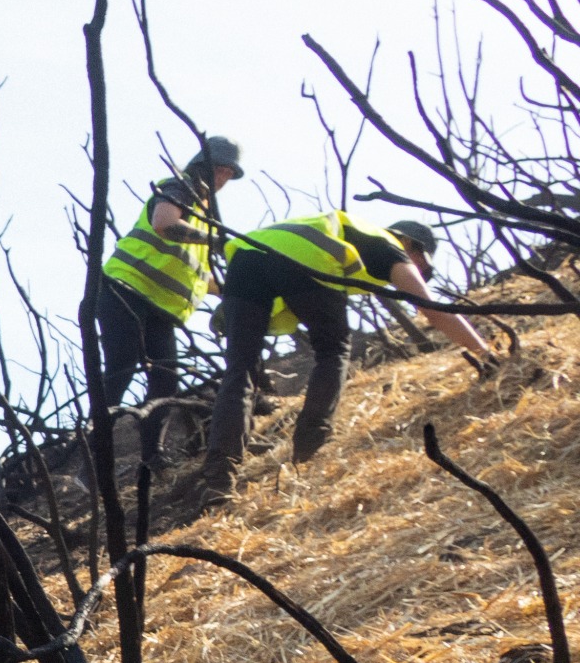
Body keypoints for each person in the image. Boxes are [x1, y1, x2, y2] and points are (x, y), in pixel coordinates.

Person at [199, 212, 496, 494]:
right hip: (302, 258)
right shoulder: (388, 247)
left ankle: (218, 480)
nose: (421, 272)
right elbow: (434, 311)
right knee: (333, 350)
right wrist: (485, 353)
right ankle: (309, 446)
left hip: (244, 257)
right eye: (424, 266)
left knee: (240, 370)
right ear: (412, 246)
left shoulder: (349, 232)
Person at [98, 134, 241, 464]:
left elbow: (194, 275)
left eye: (229, 174)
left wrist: (237, 287)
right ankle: (96, 444)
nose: (224, 179)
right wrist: (217, 241)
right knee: (121, 368)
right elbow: (165, 224)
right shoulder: (181, 187)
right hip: (127, 291)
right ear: (205, 166)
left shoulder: (202, 210)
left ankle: (153, 456)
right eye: (222, 170)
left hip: (159, 309)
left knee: (166, 381)